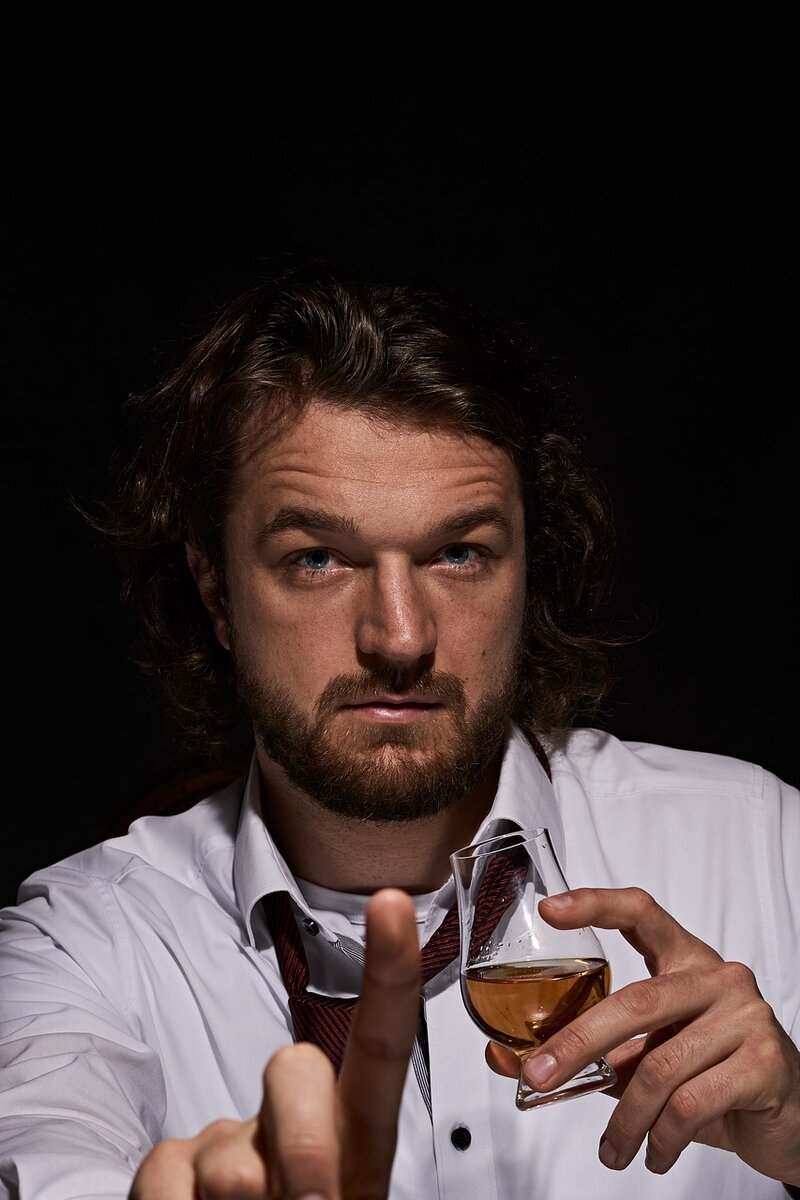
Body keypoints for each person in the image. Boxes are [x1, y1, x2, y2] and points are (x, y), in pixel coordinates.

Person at [0, 259, 798, 1200]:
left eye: (459, 552)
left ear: (529, 570)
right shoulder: (83, 946)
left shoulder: (763, 848)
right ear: (215, 592)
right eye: (318, 559)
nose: (401, 637)